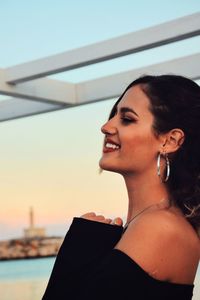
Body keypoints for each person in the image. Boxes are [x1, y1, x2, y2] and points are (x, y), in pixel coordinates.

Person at [42, 75, 200, 300]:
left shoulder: (161, 228)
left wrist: (77, 251)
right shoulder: (145, 224)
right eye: (114, 115)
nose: (105, 127)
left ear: (170, 141)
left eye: (127, 118)